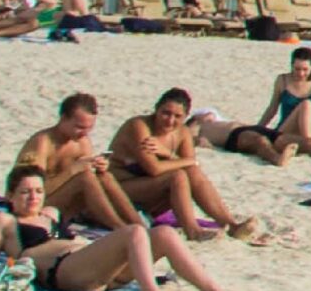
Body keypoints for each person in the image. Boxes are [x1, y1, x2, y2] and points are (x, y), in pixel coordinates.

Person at [0, 164, 234, 291]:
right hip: (64, 272)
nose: (33, 197)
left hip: (98, 270)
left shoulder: (51, 213)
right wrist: (10, 265)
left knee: (164, 234)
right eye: (25, 192)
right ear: (10, 195)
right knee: (134, 232)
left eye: (38, 191)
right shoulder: (4, 220)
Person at [108, 89, 263, 242]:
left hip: (150, 195)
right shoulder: (139, 126)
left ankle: (230, 224)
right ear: (156, 109)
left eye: (177, 116)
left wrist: (168, 154)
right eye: (165, 113)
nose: (170, 120)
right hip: (120, 189)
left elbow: (189, 165)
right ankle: (193, 231)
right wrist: (187, 160)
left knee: (190, 171)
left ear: (186, 116)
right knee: (177, 175)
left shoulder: (182, 133)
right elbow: (153, 168)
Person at [16, 92, 145, 229]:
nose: (84, 133)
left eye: (89, 128)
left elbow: (91, 178)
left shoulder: (82, 142)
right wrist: (73, 170)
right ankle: (119, 227)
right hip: (36, 204)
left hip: (66, 205)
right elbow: (33, 189)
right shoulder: (42, 142)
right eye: (79, 127)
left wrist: (99, 167)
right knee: (85, 178)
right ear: (63, 118)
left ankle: (139, 225)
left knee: (105, 177)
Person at [192, 112, 303, 168]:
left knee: (288, 139)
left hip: (248, 127)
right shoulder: (192, 127)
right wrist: (199, 141)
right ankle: (277, 159)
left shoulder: (206, 120)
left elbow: (210, 115)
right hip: (232, 136)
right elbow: (193, 140)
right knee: (259, 140)